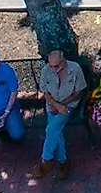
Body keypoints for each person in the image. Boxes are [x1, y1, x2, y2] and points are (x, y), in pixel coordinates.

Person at [36, 47, 86, 181]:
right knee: (55, 131)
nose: (53, 69)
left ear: (63, 61)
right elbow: (45, 92)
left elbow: (78, 92)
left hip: (68, 105)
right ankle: (63, 161)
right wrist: (55, 104)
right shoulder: (46, 70)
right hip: (52, 105)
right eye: (51, 66)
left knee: (51, 128)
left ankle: (46, 160)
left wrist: (62, 105)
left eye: (56, 66)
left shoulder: (75, 69)